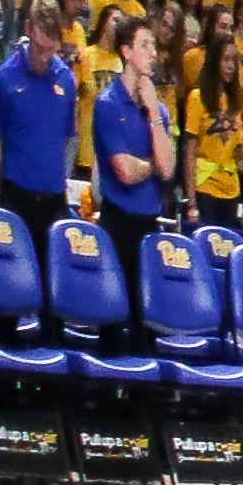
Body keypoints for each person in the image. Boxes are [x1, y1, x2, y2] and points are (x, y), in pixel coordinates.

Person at [90, 15, 176, 293]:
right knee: (114, 316)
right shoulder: (108, 104)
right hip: (117, 224)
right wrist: (153, 162)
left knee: (148, 321)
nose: (154, 53)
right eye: (145, 45)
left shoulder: (158, 109)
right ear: (126, 52)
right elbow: (125, 172)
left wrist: (152, 112)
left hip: (150, 227)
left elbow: (168, 170)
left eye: (153, 45)